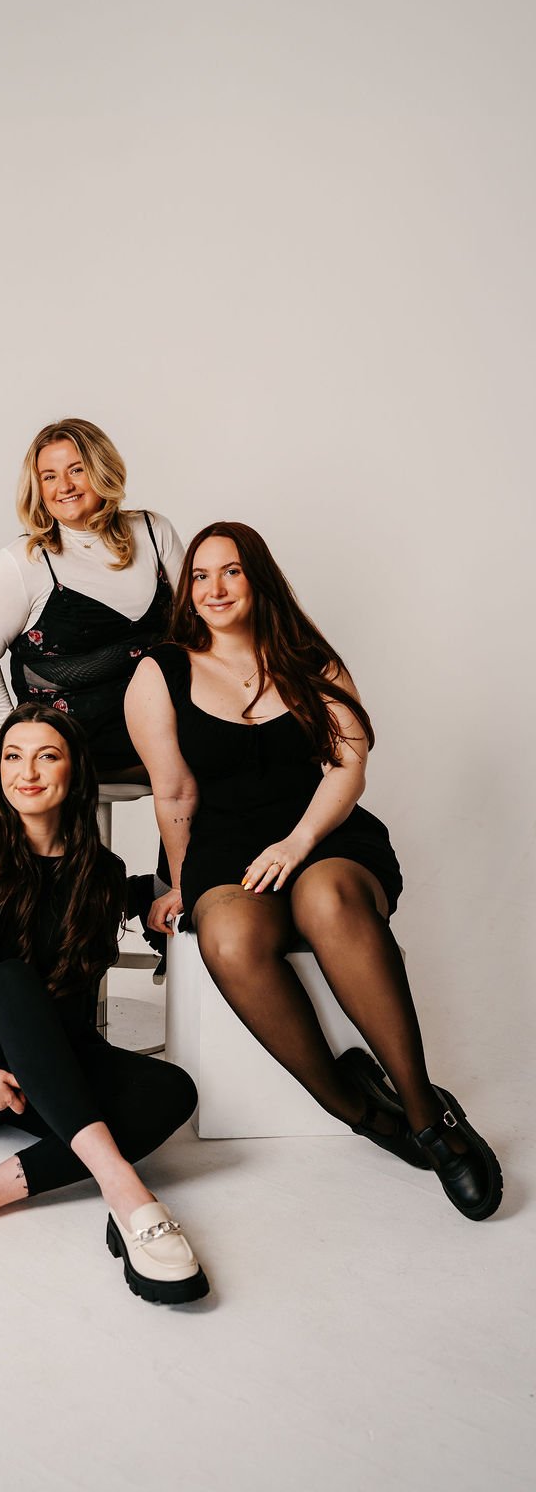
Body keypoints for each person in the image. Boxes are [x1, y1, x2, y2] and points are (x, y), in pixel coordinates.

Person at [124, 522, 502, 1221]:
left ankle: (428, 1114)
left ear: (257, 578)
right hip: (224, 847)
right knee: (230, 939)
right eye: (200, 576)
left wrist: (298, 844)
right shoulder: (161, 671)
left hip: (323, 833)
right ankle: (359, 1108)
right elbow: (174, 792)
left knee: (326, 902)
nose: (213, 588)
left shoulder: (306, 658)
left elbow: (348, 765)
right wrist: (178, 883)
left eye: (230, 572)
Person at [0, 703, 207, 1305]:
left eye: (46, 755)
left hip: (41, 1073)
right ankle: (128, 1196)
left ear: (75, 771)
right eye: (13, 756)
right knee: (10, 980)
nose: (26, 771)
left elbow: (98, 911)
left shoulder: (99, 873)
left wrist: (165, 897)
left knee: (172, 1092)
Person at [0, 418, 184, 778]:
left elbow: (195, 626)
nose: (64, 486)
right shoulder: (25, 561)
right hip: (72, 752)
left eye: (76, 470)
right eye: (49, 476)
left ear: (101, 469)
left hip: (165, 737)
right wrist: (11, 742)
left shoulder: (154, 532)